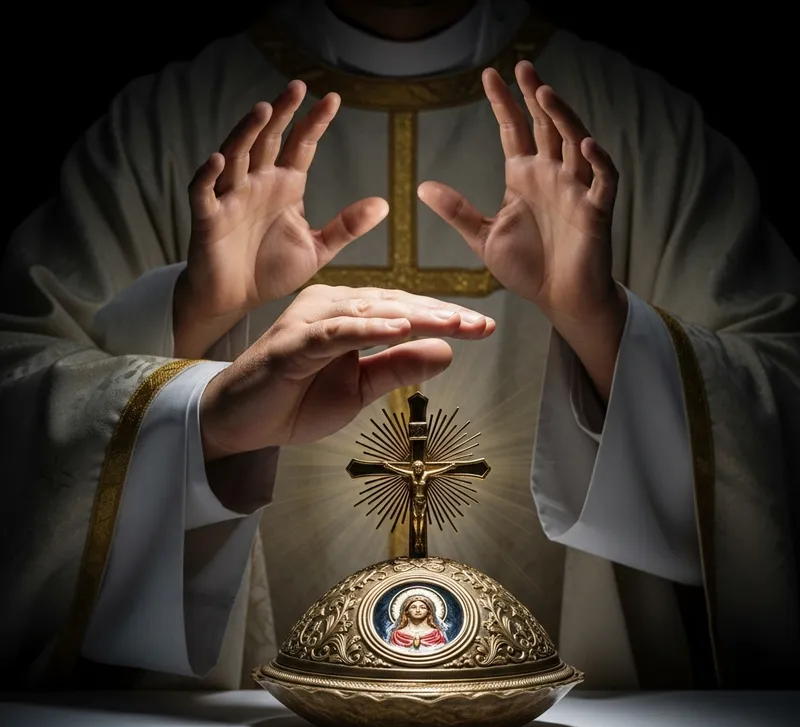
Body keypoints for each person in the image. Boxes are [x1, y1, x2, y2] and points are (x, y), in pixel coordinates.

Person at [1, 0, 798, 691]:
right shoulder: (168, 124)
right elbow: (19, 396)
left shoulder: (638, 124)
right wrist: (195, 331)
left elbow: (781, 401)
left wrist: (604, 324)